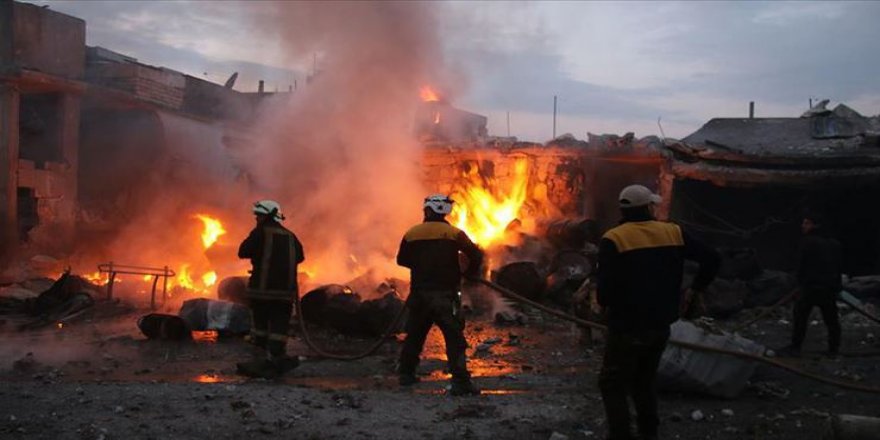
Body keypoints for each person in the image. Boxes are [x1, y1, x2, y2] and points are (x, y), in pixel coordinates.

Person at [597, 185, 720, 440]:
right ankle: (649, 432)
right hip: (661, 324)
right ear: (649, 207)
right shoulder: (673, 232)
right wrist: (695, 289)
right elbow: (713, 258)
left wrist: (608, 307)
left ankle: (620, 435)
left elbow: (604, 292)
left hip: (626, 327)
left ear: (624, 210)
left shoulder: (614, 238)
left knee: (613, 384)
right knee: (644, 381)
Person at [396, 194, 484, 396]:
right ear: (445, 212)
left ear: (427, 211)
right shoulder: (454, 233)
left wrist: (422, 266)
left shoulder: (412, 233)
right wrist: (469, 273)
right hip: (446, 294)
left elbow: (401, 260)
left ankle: (406, 375)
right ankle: (461, 382)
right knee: (454, 337)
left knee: (415, 335)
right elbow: (476, 254)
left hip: (420, 294)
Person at [236, 200, 305, 378]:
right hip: (285, 294)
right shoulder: (291, 236)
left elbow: (243, 251)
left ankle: (261, 362)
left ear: (267, 215)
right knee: (279, 328)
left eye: (259, 215)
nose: (256, 219)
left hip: (262, 292)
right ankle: (277, 358)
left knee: (260, 328)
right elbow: (300, 257)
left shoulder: (260, 232)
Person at [788, 212, 842, 357]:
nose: (803, 226)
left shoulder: (807, 242)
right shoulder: (834, 244)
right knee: (832, 320)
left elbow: (801, 265)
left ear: (815, 225)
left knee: (800, 317)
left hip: (810, 287)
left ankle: (795, 347)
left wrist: (798, 283)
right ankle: (833, 349)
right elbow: (838, 268)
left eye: (806, 223)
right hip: (828, 289)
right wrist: (837, 287)